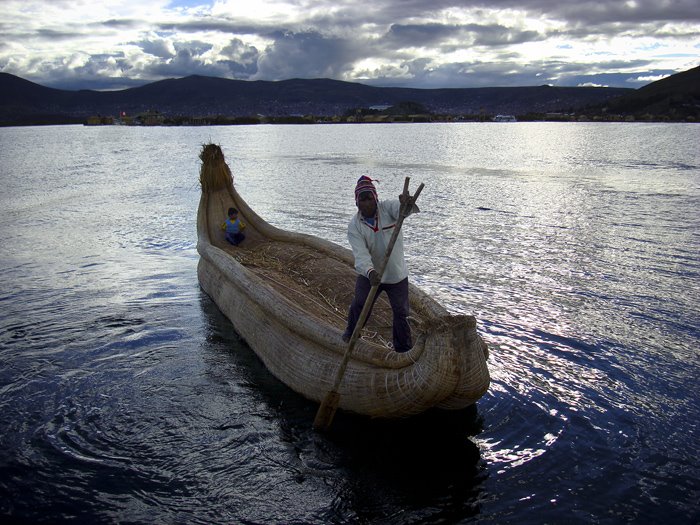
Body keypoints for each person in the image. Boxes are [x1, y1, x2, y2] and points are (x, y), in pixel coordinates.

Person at [342, 176, 419, 352]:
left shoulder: (387, 209)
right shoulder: (355, 226)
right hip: (371, 275)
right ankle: (351, 333)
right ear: (357, 203)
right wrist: (370, 272)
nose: (367, 203)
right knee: (360, 303)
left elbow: (402, 211)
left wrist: (405, 205)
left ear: (376, 198)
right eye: (362, 199)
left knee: (401, 312)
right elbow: (360, 254)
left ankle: (403, 349)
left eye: (369, 198)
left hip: (395, 274)